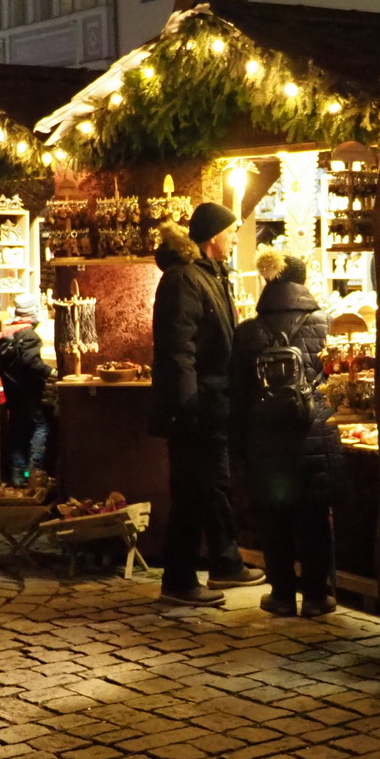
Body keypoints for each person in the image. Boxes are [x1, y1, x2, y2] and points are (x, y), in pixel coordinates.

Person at [150, 203, 265, 607]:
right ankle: (178, 581)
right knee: (191, 490)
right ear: (214, 236)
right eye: (232, 232)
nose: (236, 239)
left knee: (214, 485)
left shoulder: (211, 275)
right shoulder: (184, 280)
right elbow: (178, 350)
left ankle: (225, 563)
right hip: (196, 406)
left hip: (215, 401)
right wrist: (189, 404)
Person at [228, 250, 342, 617]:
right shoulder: (326, 325)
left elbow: (237, 393)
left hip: (266, 443)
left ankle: (281, 596)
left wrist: (239, 447)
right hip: (315, 437)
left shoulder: (247, 331)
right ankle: (315, 596)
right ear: (303, 281)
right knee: (314, 517)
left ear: (269, 282)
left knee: (274, 518)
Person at [0, 292, 54, 486]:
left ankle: (17, 477)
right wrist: (52, 372)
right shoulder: (29, 335)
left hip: (12, 391)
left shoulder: (6, 333)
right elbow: (30, 362)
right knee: (40, 426)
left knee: (17, 432)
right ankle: (34, 473)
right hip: (28, 391)